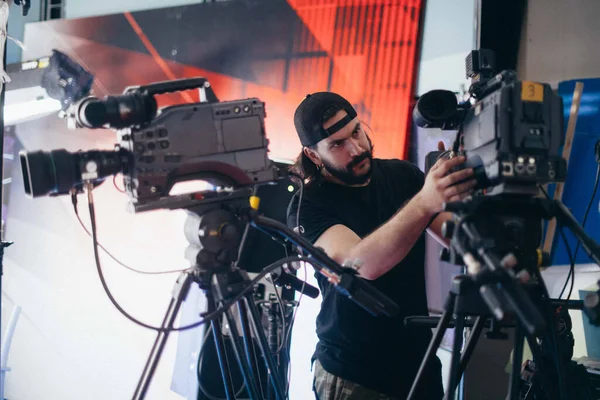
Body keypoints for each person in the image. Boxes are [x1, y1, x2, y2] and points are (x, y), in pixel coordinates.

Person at [286, 92, 476, 400]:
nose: (356, 148)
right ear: (313, 155)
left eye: (356, 132)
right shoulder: (307, 205)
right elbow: (361, 265)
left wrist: (466, 193)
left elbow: (460, 239)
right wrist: (426, 200)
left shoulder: (403, 175)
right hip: (355, 375)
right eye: (337, 144)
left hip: (419, 364)